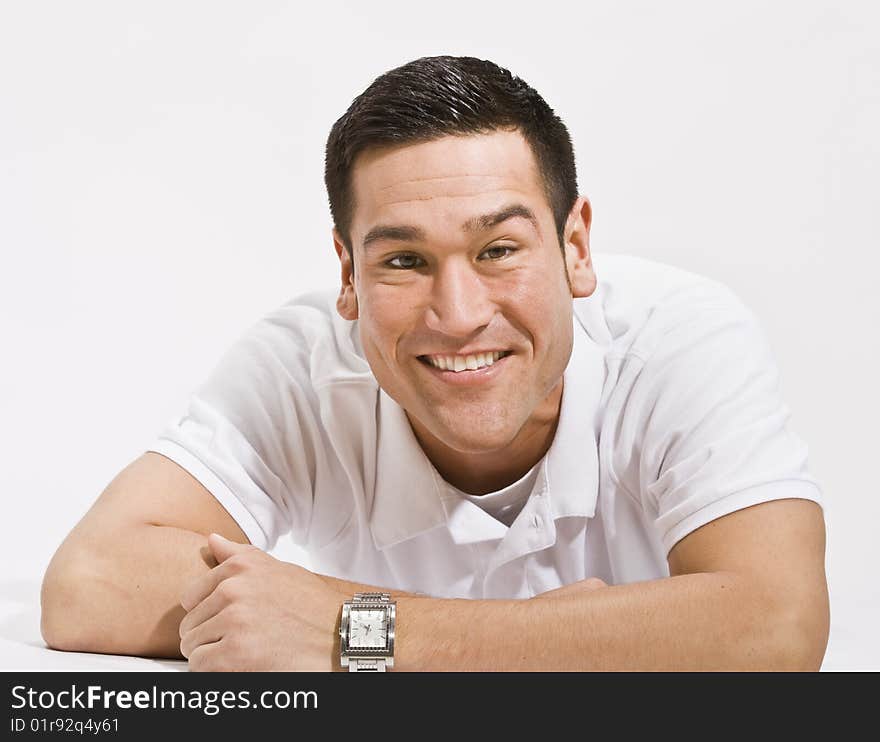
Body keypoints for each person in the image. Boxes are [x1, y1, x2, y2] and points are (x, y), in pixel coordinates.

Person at [40, 55, 829, 671]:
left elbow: (776, 625)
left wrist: (355, 634)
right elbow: (90, 583)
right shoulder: (302, 367)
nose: (458, 316)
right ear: (348, 276)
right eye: (405, 262)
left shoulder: (679, 340)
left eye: (498, 250)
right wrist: (569, 643)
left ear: (576, 248)